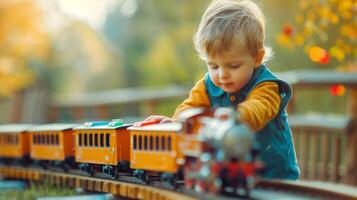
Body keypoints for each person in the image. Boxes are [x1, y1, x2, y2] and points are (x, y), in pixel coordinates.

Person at [145, 0, 300, 180]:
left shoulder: (267, 86)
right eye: (213, 66)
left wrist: (236, 117)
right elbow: (189, 110)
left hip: (275, 177)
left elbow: (259, 108)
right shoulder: (205, 87)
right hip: (234, 176)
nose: (222, 75)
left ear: (257, 58)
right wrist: (175, 124)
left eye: (233, 66)